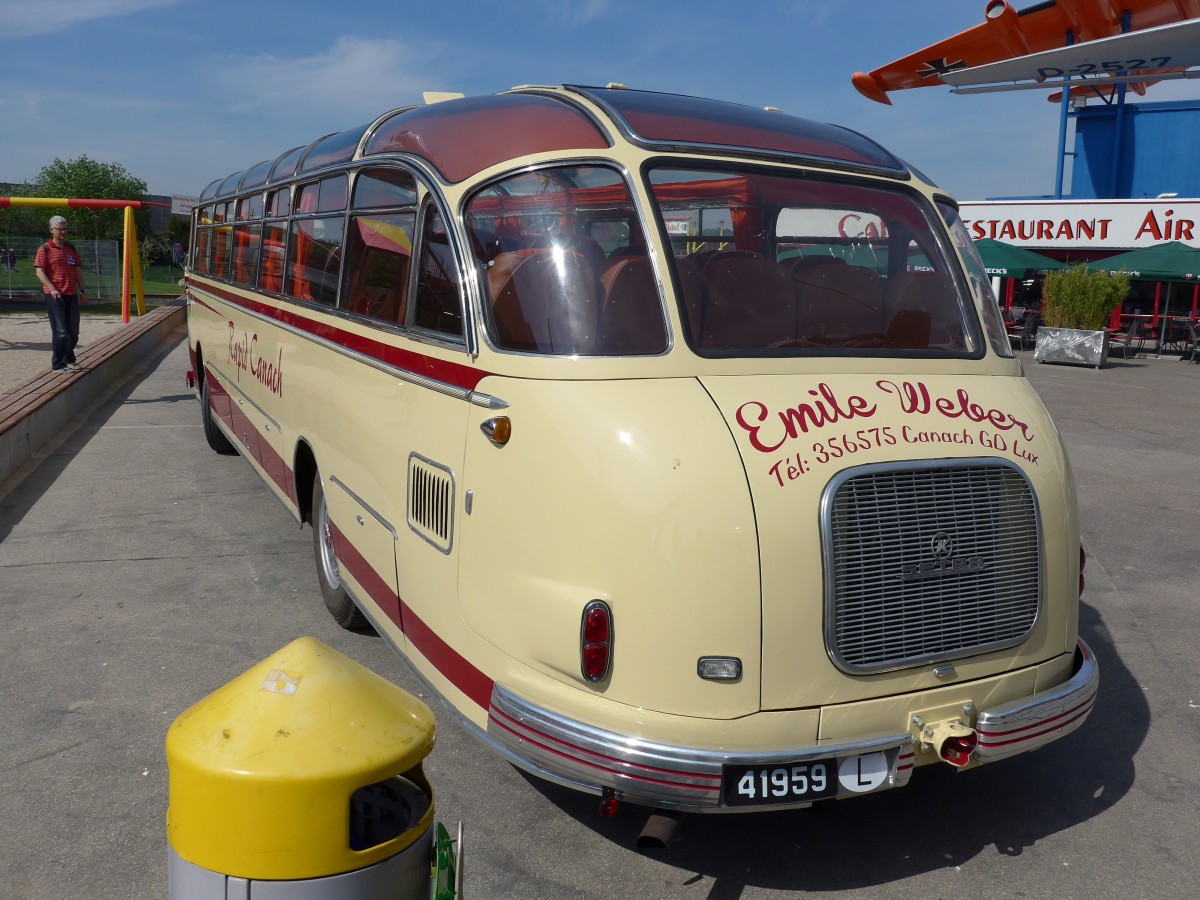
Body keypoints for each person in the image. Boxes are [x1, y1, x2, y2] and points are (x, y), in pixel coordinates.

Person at [34, 215, 88, 372]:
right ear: (52, 230)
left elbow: (77, 271)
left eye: (65, 229)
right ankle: (58, 364)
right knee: (61, 332)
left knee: (74, 332)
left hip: (71, 294)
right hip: (54, 296)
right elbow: (40, 272)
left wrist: (83, 290)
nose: (63, 232)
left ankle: (70, 359)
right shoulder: (44, 249)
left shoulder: (70, 248)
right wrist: (52, 288)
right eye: (60, 229)